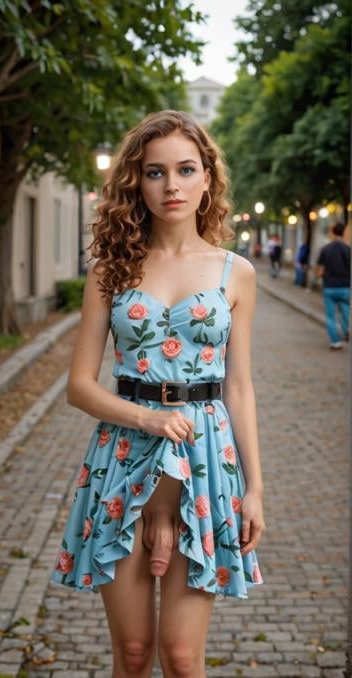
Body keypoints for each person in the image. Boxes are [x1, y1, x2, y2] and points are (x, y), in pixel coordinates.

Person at [51, 110, 265, 677]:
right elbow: (78, 387)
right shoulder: (109, 271)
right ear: (136, 183)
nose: (171, 185)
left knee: (181, 656)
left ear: (207, 179)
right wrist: (146, 420)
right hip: (121, 463)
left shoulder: (235, 272)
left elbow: (239, 386)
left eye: (185, 169)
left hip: (205, 470)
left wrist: (256, 488)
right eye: (155, 172)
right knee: (135, 653)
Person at [315, 221, 350, 350]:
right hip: (346, 287)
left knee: (330, 316)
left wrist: (317, 277)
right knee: (346, 311)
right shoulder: (348, 249)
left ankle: (335, 341)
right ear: (343, 233)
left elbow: (320, 270)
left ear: (333, 233)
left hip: (329, 287)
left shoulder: (326, 249)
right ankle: (347, 330)